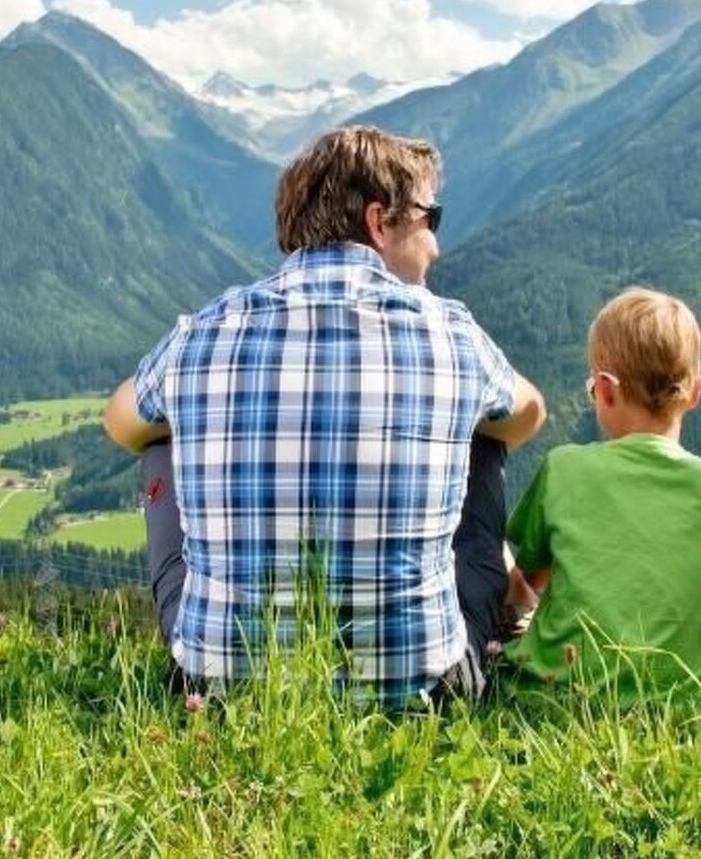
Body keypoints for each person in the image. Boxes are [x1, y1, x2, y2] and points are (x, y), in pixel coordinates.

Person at [103, 125, 547, 707]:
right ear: (378, 221)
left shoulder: (203, 332)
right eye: (429, 218)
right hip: (425, 694)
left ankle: (220, 643)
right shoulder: (452, 334)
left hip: (220, 693)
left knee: (157, 437)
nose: (435, 246)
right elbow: (528, 415)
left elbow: (119, 421)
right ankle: (496, 614)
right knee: (486, 434)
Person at [503, 288, 701, 703]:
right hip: (681, 705)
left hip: (553, 697)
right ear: (696, 392)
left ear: (605, 389)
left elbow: (530, 577)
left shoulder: (563, 468)